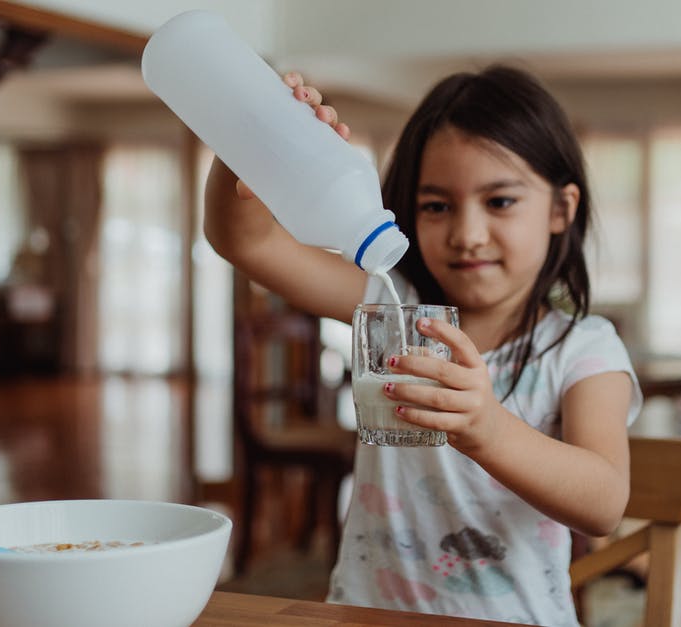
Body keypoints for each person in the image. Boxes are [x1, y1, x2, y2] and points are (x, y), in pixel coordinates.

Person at [204, 64, 642, 626]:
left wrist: (487, 427)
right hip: (365, 615)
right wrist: (247, 143)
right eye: (437, 206)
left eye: (500, 202)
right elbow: (244, 240)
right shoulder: (392, 306)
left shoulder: (582, 348)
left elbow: (603, 502)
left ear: (561, 210)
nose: (467, 233)